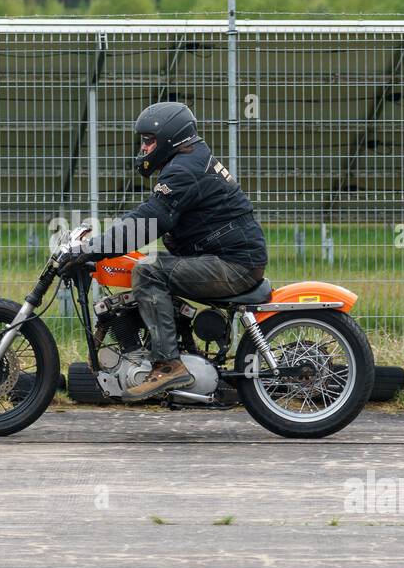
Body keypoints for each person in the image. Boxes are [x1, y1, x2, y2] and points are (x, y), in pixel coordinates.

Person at [66, 101, 268, 400]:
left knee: (148, 271)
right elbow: (151, 213)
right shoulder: (188, 161)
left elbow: (150, 220)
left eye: (149, 141)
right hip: (228, 257)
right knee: (153, 265)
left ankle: (168, 365)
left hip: (233, 265)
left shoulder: (184, 169)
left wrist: (93, 249)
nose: (144, 149)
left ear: (171, 138)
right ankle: (175, 351)